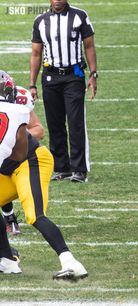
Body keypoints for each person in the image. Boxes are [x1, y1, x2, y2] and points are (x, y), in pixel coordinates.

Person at [0, 71, 88, 280]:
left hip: (32, 161)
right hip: (10, 163)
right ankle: (7, 260)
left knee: (35, 215)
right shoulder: (12, 111)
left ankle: (71, 262)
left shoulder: (13, 114)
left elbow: (21, 150)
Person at [29, 0, 98, 183]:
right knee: (54, 123)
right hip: (50, 77)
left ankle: (79, 169)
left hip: (73, 76)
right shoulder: (40, 21)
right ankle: (62, 168)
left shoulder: (79, 16)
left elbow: (89, 46)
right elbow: (36, 53)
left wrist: (93, 74)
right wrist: (32, 84)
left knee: (76, 122)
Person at [2, 81, 45, 236]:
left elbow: (39, 130)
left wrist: (15, 136)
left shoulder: (18, 99)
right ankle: (8, 216)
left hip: (19, 154)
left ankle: (10, 218)